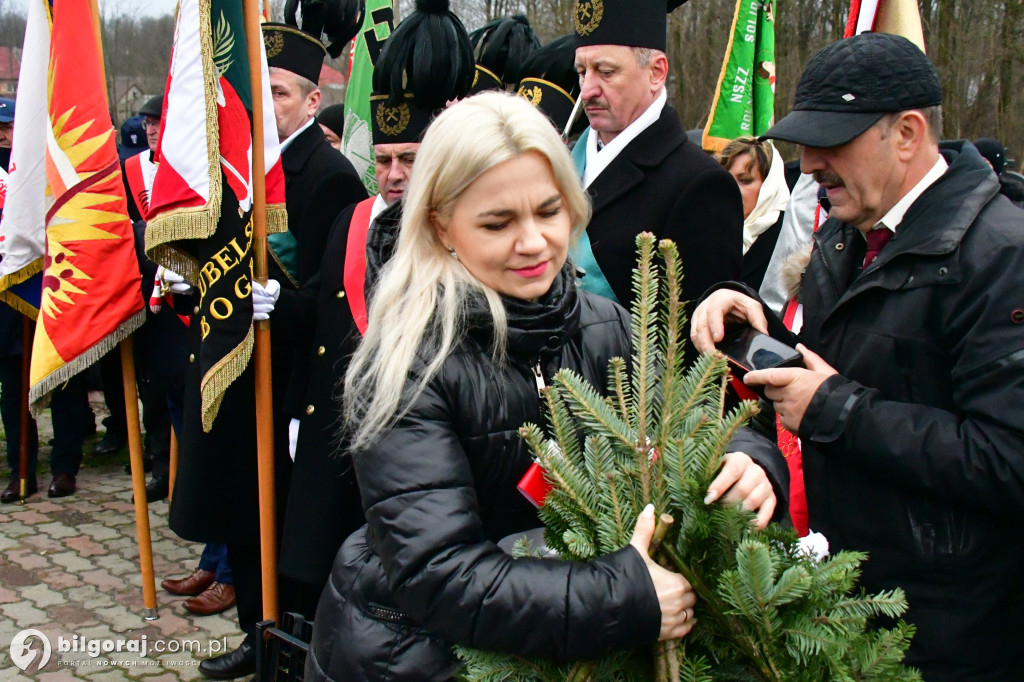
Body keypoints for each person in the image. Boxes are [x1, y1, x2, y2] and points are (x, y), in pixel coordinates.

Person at [306, 91, 786, 681]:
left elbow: (693, 424)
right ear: (442, 225)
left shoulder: (605, 325)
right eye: (497, 222)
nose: (533, 242)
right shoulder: (410, 362)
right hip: (421, 656)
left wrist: (750, 460)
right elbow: (440, 573)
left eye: (549, 211)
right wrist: (624, 597)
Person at [690, 33, 1024, 681]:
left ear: (906, 133)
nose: (809, 163)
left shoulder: (1001, 259)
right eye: (805, 141)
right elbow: (822, 386)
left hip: (951, 639)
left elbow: (1008, 460)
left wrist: (834, 410)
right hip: (845, 611)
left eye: (832, 140)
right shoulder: (848, 236)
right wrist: (747, 329)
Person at [170, 21, 367, 680]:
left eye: (282, 94)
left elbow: (331, 299)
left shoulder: (328, 174)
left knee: (282, 530)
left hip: (290, 388)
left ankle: (288, 643)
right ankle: (255, 635)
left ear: (314, 102)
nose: (271, 107)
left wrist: (281, 305)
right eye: (264, 94)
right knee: (242, 518)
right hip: (240, 373)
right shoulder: (248, 170)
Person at [570, 0, 743, 319]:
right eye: (582, 72)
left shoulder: (701, 184)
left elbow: (701, 345)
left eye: (606, 72)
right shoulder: (564, 162)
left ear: (656, 72)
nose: (588, 90)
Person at [716, 136, 790, 290]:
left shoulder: (789, 235)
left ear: (770, 186)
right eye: (726, 179)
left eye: (745, 180)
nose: (732, 189)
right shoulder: (709, 230)